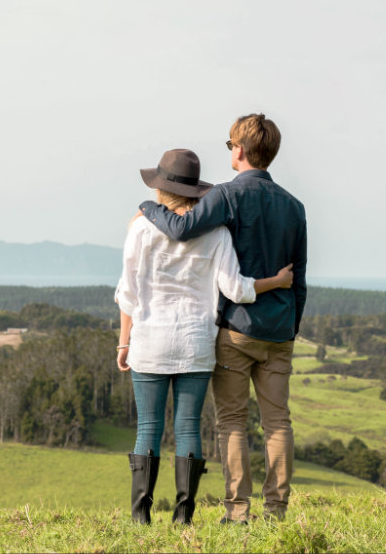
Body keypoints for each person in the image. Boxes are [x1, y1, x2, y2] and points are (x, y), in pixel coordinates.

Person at [138, 113, 306, 524]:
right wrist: (291, 327)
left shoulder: (228, 195)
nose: (230, 151)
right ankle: (277, 512)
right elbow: (298, 278)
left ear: (241, 150)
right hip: (280, 329)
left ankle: (237, 512)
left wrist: (146, 204)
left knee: (232, 421)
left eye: (230, 145)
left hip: (237, 329)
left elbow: (180, 228)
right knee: (277, 423)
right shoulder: (295, 206)